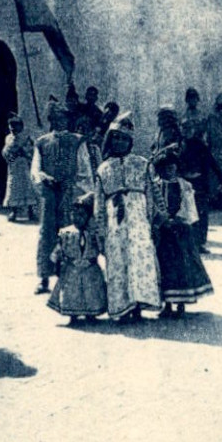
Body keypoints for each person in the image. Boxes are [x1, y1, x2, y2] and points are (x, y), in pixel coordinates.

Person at [95, 113, 162, 322]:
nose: (120, 142)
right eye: (116, 138)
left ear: (130, 142)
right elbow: (99, 201)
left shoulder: (141, 164)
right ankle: (122, 306)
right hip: (115, 217)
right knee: (118, 260)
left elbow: (150, 193)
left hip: (138, 217)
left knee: (139, 259)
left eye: (124, 139)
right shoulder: (103, 168)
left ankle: (138, 304)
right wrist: (100, 228)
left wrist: (151, 219)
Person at [31, 100, 94, 294]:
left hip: (71, 193)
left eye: (63, 118)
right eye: (56, 119)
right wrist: (42, 177)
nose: (60, 122)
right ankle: (44, 279)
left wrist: (83, 192)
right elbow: (36, 167)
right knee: (47, 234)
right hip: (50, 195)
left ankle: (68, 277)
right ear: (51, 120)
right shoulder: (42, 142)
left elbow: (84, 169)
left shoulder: (77, 141)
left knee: (71, 233)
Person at [152, 146, 213, 318]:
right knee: (164, 267)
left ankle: (181, 305)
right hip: (163, 233)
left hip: (180, 232)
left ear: (177, 167)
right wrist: (161, 221)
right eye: (164, 168)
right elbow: (153, 207)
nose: (168, 171)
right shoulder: (155, 186)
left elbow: (189, 208)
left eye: (171, 167)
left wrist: (178, 219)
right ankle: (167, 304)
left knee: (182, 267)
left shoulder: (184, 186)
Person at [47, 193, 107, 324]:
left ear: (88, 216)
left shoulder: (93, 232)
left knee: (92, 291)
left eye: (81, 215)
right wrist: (56, 265)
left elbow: (102, 248)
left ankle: (91, 315)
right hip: (71, 269)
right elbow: (59, 249)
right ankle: (72, 315)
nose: (77, 218)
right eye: (74, 214)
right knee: (71, 292)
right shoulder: (65, 232)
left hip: (90, 268)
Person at [178, 132, 222, 253]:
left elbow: (211, 162)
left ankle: (199, 243)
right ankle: (193, 243)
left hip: (199, 185)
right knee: (189, 214)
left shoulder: (200, 146)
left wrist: (221, 179)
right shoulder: (178, 144)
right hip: (186, 184)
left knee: (200, 214)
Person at [2, 114, 36, 222]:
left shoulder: (27, 138)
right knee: (13, 187)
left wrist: (24, 152)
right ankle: (14, 211)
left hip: (25, 166)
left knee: (28, 187)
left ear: (21, 126)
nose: (13, 128)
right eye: (11, 125)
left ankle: (30, 212)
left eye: (16, 125)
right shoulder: (8, 138)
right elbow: (5, 152)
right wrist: (10, 155)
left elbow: (32, 151)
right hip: (14, 166)